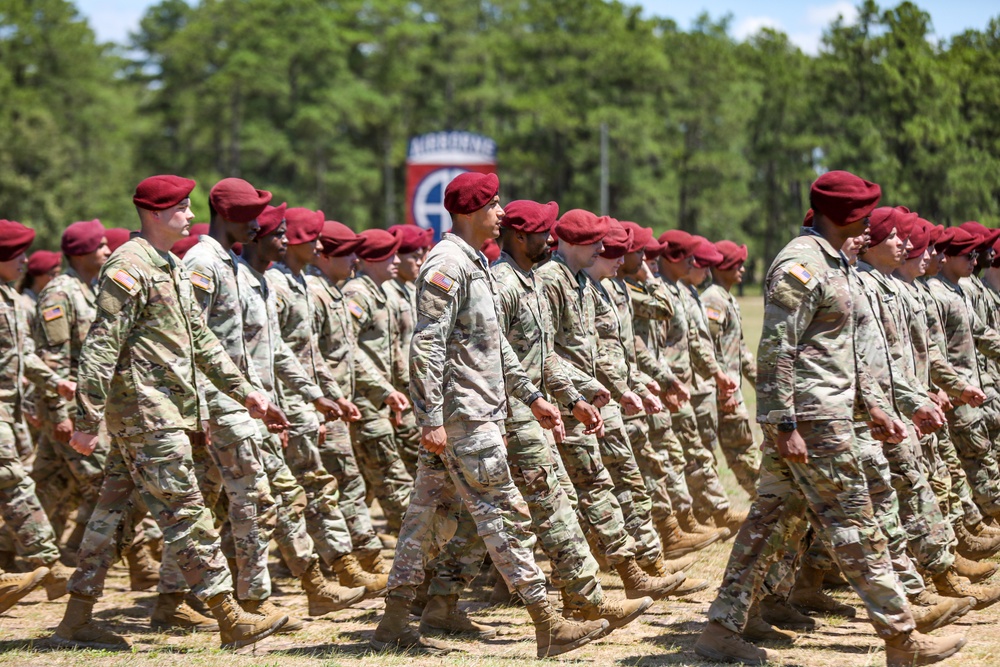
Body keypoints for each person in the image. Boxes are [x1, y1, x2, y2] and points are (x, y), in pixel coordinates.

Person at [695, 170, 966, 666]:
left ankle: (720, 628)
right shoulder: (800, 264)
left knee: (769, 521)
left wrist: (877, 407)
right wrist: (783, 425)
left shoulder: (837, 262)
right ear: (842, 216)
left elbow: (847, 351)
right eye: (863, 214)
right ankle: (903, 638)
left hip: (832, 413)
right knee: (856, 526)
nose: (870, 223)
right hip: (813, 421)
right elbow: (777, 349)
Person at [372, 172, 609, 658]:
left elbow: (494, 343)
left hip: (476, 412)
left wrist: (532, 397)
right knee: (506, 515)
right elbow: (428, 345)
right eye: (495, 205)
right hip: (463, 418)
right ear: (470, 212)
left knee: (422, 519)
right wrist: (430, 417)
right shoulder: (446, 264)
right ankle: (549, 623)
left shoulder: (474, 262)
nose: (501, 214)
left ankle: (395, 620)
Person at [53, 174, 288, 650]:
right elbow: (102, 345)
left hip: (161, 411)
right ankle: (229, 616)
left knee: (111, 516)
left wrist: (245, 392)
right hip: (146, 413)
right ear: (157, 214)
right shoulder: (130, 266)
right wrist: (85, 420)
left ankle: (75, 618)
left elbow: (201, 340)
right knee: (186, 512)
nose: (191, 215)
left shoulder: (169, 264)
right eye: (182, 208)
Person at [537, 209, 685, 599]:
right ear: (575, 243)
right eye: (598, 244)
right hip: (561, 402)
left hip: (584, 401)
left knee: (595, 487)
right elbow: (545, 351)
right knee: (576, 494)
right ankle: (617, 575)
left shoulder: (582, 283)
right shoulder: (552, 281)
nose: (606, 250)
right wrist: (585, 392)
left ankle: (634, 569)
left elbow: (602, 349)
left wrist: (616, 387)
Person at [32, 220, 156, 590]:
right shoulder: (60, 293)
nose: (107, 251)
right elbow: (53, 361)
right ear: (82, 252)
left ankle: (11, 551)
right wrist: (60, 415)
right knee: (105, 485)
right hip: (72, 411)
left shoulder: (91, 289)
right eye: (100, 246)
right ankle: (141, 563)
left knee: (48, 485)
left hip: (91, 408)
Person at [0, 219, 77, 614]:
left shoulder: (10, 300)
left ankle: (47, 566)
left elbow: (23, 356)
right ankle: (48, 565)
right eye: (17, 254)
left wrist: (55, 383)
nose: (25, 261)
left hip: (10, 410)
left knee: (17, 481)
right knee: (13, 481)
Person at [342, 230, 414, 533]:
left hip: (383, 400)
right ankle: (419, 555)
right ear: (371, 259)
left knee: (368, 479)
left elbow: (394, 347)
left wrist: (405, 387)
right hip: (364, 401)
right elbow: (348, 347)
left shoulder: (382, 292)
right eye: (389, 255)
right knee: (391, 478)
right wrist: (384, 390)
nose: (396, 261)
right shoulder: (357, 293)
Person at [701, 240, 760, 497]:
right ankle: (769, 506)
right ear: (721, 266)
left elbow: (739, 350)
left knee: (744, 449)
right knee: (743, 452)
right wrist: (724, 390)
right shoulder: (713, 299)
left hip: (730, 391)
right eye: (737, 263)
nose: (743, 270)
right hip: (722, 394)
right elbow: (710, 349)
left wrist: (763, 383)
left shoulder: (726, 298)